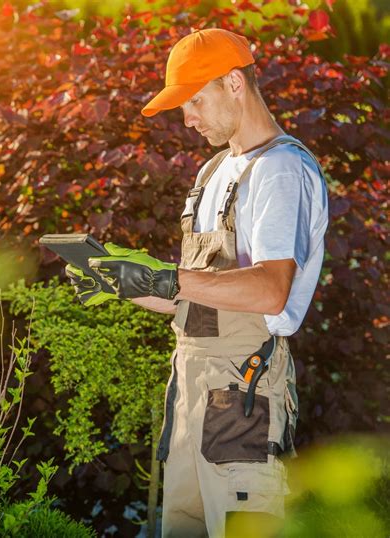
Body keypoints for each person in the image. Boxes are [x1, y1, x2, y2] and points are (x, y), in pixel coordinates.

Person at [67, 28, 328, 538]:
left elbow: (270, 290)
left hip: (242, 401)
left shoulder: (280, 170)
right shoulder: (213, 172)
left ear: (234, 82)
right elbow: (193, 300)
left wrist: (167, 277)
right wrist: (125, 281)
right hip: (190, 396)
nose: (186, 119)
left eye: (194, 102)